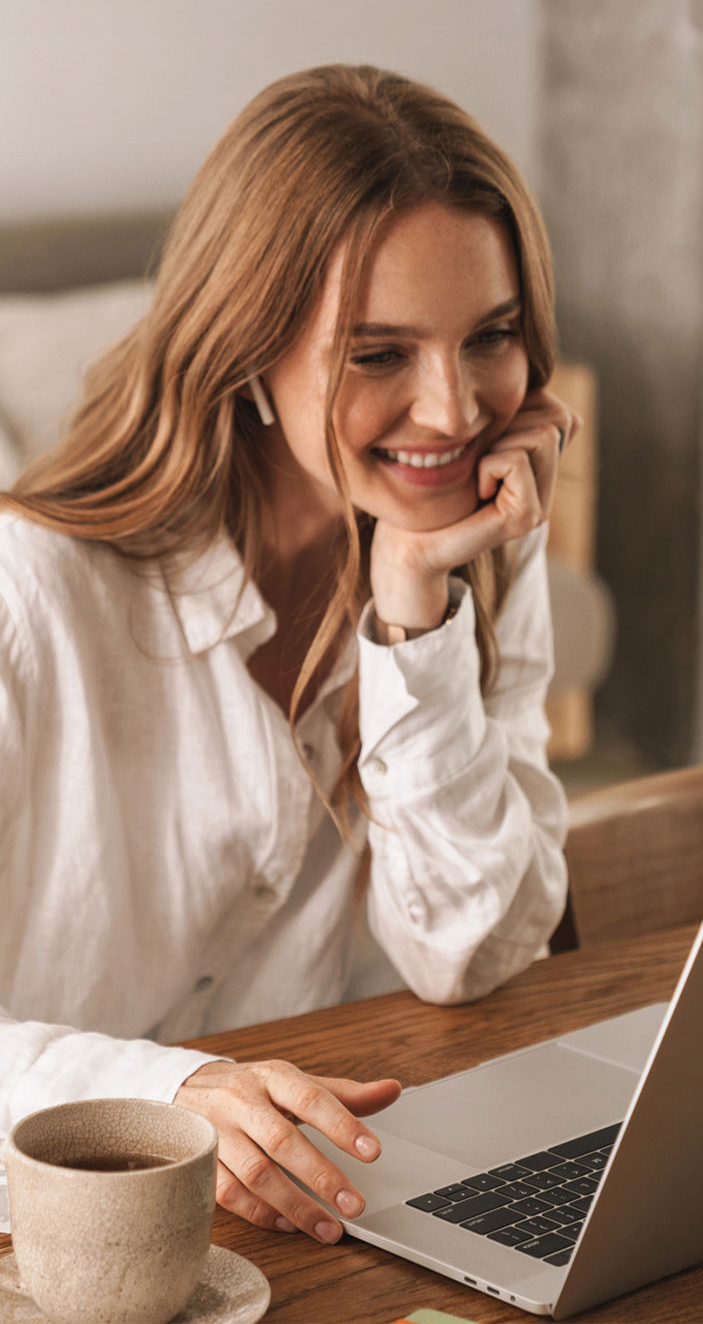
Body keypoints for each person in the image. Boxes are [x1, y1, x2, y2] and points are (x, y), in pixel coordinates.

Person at [0, 64, 577, 1242]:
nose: (454, 412)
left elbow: (467, 952)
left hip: (323, 1216)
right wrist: (165, 1094)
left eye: (491, 337)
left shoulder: (471, 556)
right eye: (377, 355)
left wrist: (416, 618)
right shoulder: (32, 602)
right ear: (246, 347)